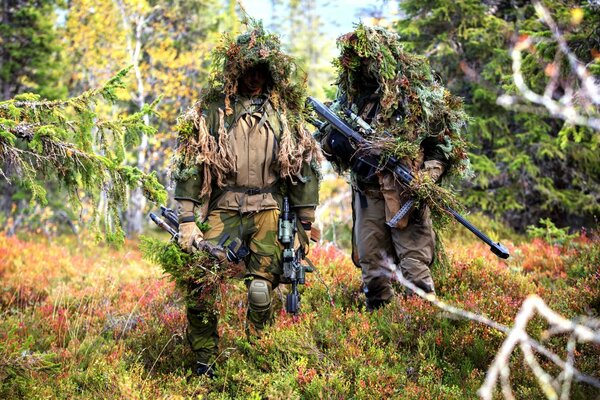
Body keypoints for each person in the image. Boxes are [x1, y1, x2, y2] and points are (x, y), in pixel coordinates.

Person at [172, 24, 320, 376]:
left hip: (270, 209)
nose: (254, 79)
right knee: (199, 279)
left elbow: (302, 167)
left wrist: (306, 222)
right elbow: (191, 164)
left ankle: (257, 354)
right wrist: (187, 219)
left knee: (259, 289)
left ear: (270, 74)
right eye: (248, 70)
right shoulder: (213, 111)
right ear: (235, 71)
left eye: (261, 71)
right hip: (225, 208)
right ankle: (205, 360)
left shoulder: (285, 114)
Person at [315, 24, 470, 311]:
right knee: (373, 271)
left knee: (415, 270)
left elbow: (442, 146)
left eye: (371, 61)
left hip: (407, 195)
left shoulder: (414, 101)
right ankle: (382, 334)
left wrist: (426, 177)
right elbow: (327, 138)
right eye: (360, 63)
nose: (366, 68)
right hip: (368, 195)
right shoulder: (353, 102)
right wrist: (338, 144)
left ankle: (423, 332)